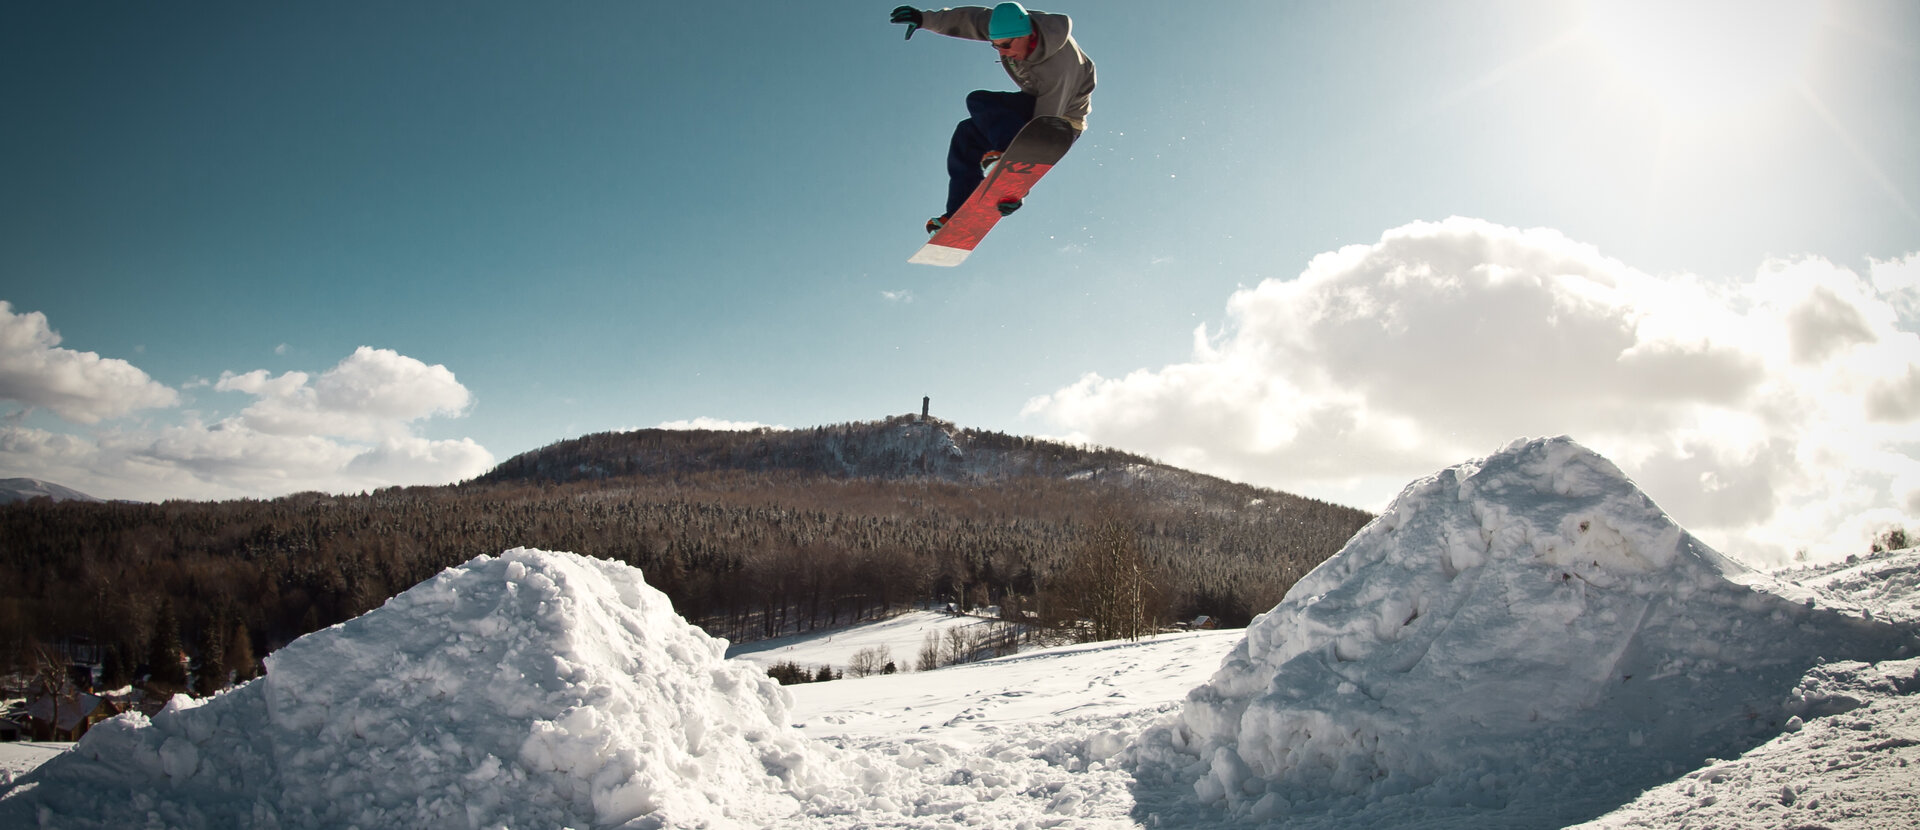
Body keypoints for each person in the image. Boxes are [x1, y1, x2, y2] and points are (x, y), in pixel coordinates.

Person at [890, 3, 1096, 233]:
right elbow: (969, 19)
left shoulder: (1058, 64)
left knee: (979, 101)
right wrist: (923, 18)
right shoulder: (1013, 28)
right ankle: (958, 214)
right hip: (1034, 108)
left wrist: (1016, 184)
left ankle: (1008, 156)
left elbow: (1044, 126)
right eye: (996, 46)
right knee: (966, 134)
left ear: (1027, 34)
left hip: (1063, 120)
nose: (1003, 52)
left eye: (1006, 46)